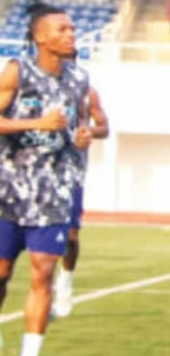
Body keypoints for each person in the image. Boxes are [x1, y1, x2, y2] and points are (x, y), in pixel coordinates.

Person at [0, 1, 92, 356]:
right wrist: (35, 122)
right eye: (62, 30)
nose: (70, 35)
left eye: (71, 29)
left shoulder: (80, 79)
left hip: (53, 192)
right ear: (40, 36)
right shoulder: (17, 71)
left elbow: (81, 124)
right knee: (2, 273)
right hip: (8, 191)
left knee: (43, 274)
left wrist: (82, 137)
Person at [51, 84, 108, 318]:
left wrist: (87, 131)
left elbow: (104, 128)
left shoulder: (87, 92)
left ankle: (65, 280)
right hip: (37, 172)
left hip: (71, 173)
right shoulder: (34, 87)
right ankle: (43, 289)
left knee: (71, 234)